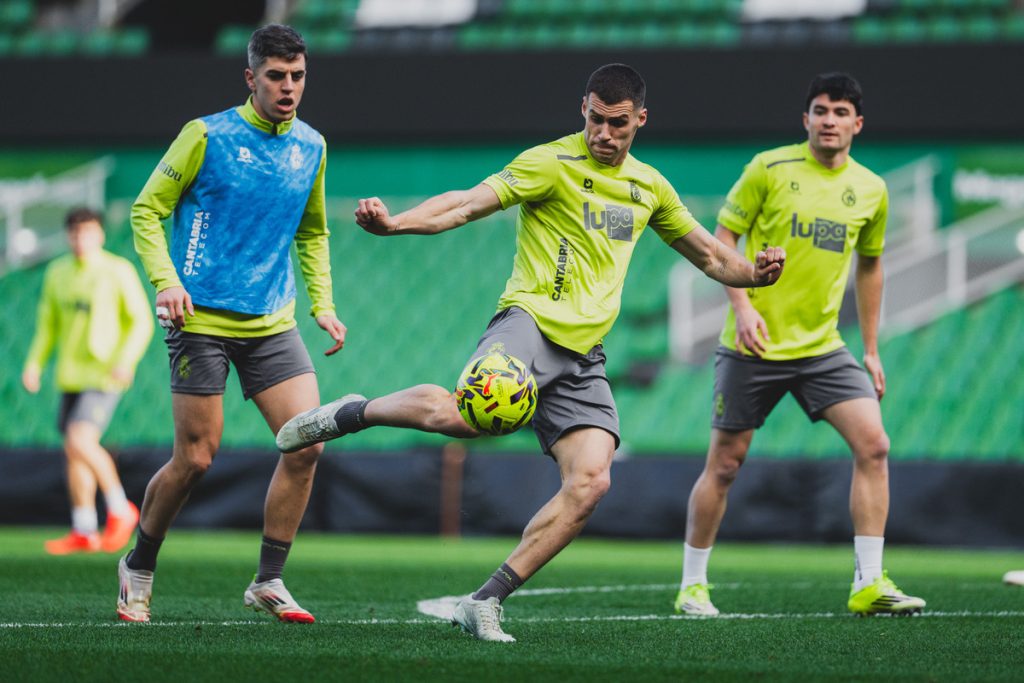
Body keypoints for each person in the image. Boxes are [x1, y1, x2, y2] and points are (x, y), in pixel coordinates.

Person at [276, 63, 786, 642]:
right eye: (595, 119)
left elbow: (712, 257)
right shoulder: (550, 162)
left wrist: (755, 274)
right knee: (467, 417)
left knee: (591, 482)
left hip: (584, 356)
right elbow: (466, 204)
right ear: (583, 109)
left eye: (617, 123)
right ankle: (354, 412)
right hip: (528, 325)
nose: (603, 133)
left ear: (640, 120)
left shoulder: (650, 187)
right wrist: (395, 225)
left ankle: (484, 600)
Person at [116, 24, 346, 624]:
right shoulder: (205, 135)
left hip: (273, 322)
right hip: (199, 319)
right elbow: (147, 209)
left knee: (308, 442)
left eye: (298, 76)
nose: (288, 87)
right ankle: (139, 564)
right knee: (195, 459)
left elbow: (313, 231)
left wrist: (322, 305)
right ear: (251, 78)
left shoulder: (312, 146)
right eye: (276, 76)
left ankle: (268, 580)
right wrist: (166, 281)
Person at [673, 72, 926, 618]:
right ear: (805, 119)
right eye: (821, 110)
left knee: (875, 445)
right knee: (725, 464)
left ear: (858, 123)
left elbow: (871, 266)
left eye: (841, 112)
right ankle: (692, 585)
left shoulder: (872, 190)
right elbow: (722, 240)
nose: (830, 120)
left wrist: (872, 348)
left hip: (822, 348)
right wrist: (742, 308)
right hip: (753, 344)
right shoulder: (768, 168)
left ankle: (869, 582)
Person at [22, 207, 153, 555]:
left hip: (104, 373)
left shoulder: (117, 270)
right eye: (76, 233)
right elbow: (47, 325)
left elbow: (141, 321)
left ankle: (120, 508)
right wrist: (34, 364)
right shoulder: (57, 272)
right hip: (70, 374)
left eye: (88, 232)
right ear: (69, 236)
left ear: (100, 235)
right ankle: (83, 528)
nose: (82, 240)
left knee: (80, 438)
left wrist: (125, 360)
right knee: (74, 450)